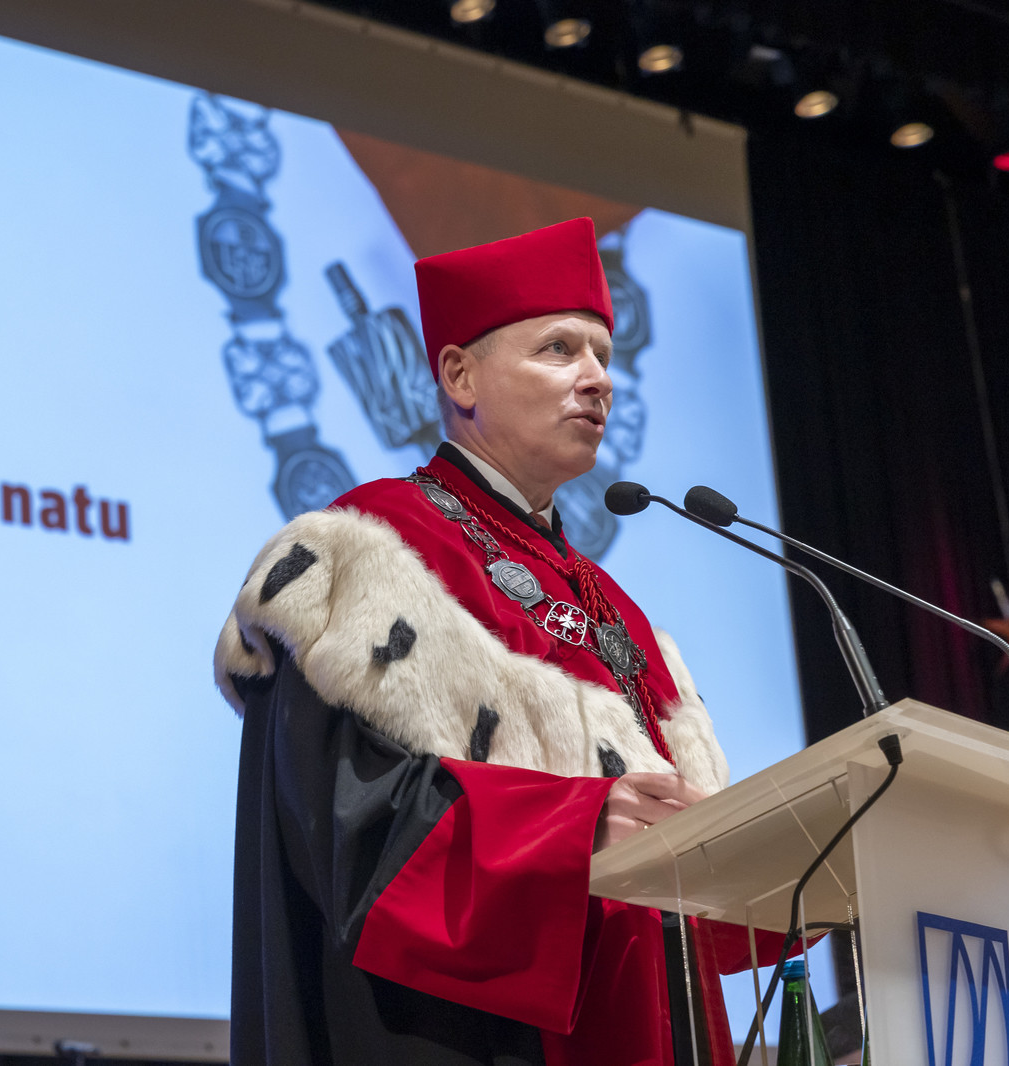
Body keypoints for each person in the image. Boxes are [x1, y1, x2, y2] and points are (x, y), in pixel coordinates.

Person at [214, 218, 776, 1066]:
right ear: (459, 375)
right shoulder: (367, 551)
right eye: (559, 349)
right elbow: (354, 830)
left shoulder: (616, 609)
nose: (598, 378)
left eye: (603, 354)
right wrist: (576, 830)